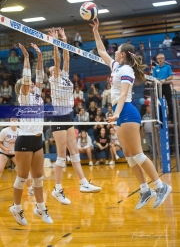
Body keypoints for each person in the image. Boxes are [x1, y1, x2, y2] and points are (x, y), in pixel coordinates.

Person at [90, 18, 172, 209]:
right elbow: (102, 51)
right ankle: (145, 190)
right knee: (128, 156)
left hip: (126, 112)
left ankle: (161, 186)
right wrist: (96, 30)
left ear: (124, 54)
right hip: (120, 113)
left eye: (117, 50)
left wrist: (116, 114)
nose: (114, 52)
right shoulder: (116, 67)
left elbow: (125, 94)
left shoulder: (126, 69)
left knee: (138, 153)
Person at [48, 27, 101, 205]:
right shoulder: (54, 78)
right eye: (53, 67)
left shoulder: (63, 75)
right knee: (62, 156)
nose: (56, 66)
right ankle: (57, 189)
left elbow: (66, 58)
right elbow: (57, 58)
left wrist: (64, 39)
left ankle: (83, 183)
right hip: (57, 118)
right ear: (50, 72)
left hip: (68, 116)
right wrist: (55, 42)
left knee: (75, 152)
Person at [10, 43, 53, 225]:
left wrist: (38, 55)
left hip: (38, 140)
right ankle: (17, 208)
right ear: (23, 87)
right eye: (29, 83)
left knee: (38, 177)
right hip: (24, 140)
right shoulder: (24, 96)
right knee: (22, 177)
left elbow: (40, 74)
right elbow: (27, 79)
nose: (34, 83)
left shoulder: (37, 95)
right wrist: (26, 59)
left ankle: (40, 208)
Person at [0, 118, 33, 195]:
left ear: (18, 121)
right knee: (0, 169)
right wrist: (6, 149)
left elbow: (25, 143)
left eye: (15, 119)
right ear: (9, 121)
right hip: (4, 152)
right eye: (12, 119)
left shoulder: (20, 131)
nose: (14, 121)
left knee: (25, 170)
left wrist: (17, 141)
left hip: (16, 153)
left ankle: (30, 189)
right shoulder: (4, 131)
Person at [152, 53, 173, 122]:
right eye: (159, 58)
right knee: (159, 102)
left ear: (164, 59)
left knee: (169, 102)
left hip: (166, 86)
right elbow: (153, 77)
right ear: (157, 60)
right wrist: (157, 80)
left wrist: (165, 79)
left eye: (161, 58)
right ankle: (160, 118)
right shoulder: (155, 69)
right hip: (158, 86)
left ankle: (171, 118)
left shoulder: (168, 67)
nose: (160, 59)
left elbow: (171, 76)